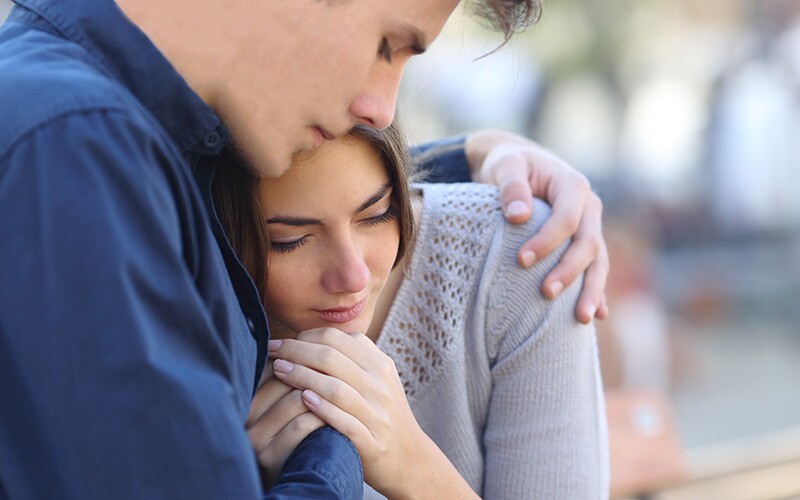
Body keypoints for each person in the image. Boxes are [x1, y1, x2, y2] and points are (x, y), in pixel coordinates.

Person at [0, 0, 607, 498]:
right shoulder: (77, 152)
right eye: (386, 45)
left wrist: (472, 157)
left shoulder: (115, 134)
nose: (379, 108)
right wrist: (334, 446)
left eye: (377, 213)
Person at [217, 123, 608, 498]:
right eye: (291, 241)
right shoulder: (194, 322)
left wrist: (413, 470)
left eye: (377, 214)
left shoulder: (517, 259)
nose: (353, 276)